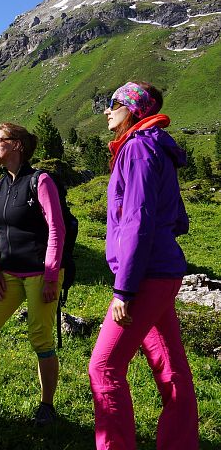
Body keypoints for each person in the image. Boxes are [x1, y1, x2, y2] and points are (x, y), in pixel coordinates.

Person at [88, 82, 198, 449]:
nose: (107, 110)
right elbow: (176, 219)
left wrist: (124, 288)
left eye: (113, 103)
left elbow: (136, 219)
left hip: (145, 277)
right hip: (163, 270)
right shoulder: (155, 147)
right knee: (171, 369)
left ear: (133, 109)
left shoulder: (136, 148)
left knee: (103, 367)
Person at [0, 123, 66, 425]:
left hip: (41, 274)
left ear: (17, 146)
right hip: (7, 275)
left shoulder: (41, 181)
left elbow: (56, 229)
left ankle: (46, 406)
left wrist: (51, 276)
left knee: (41, 339)